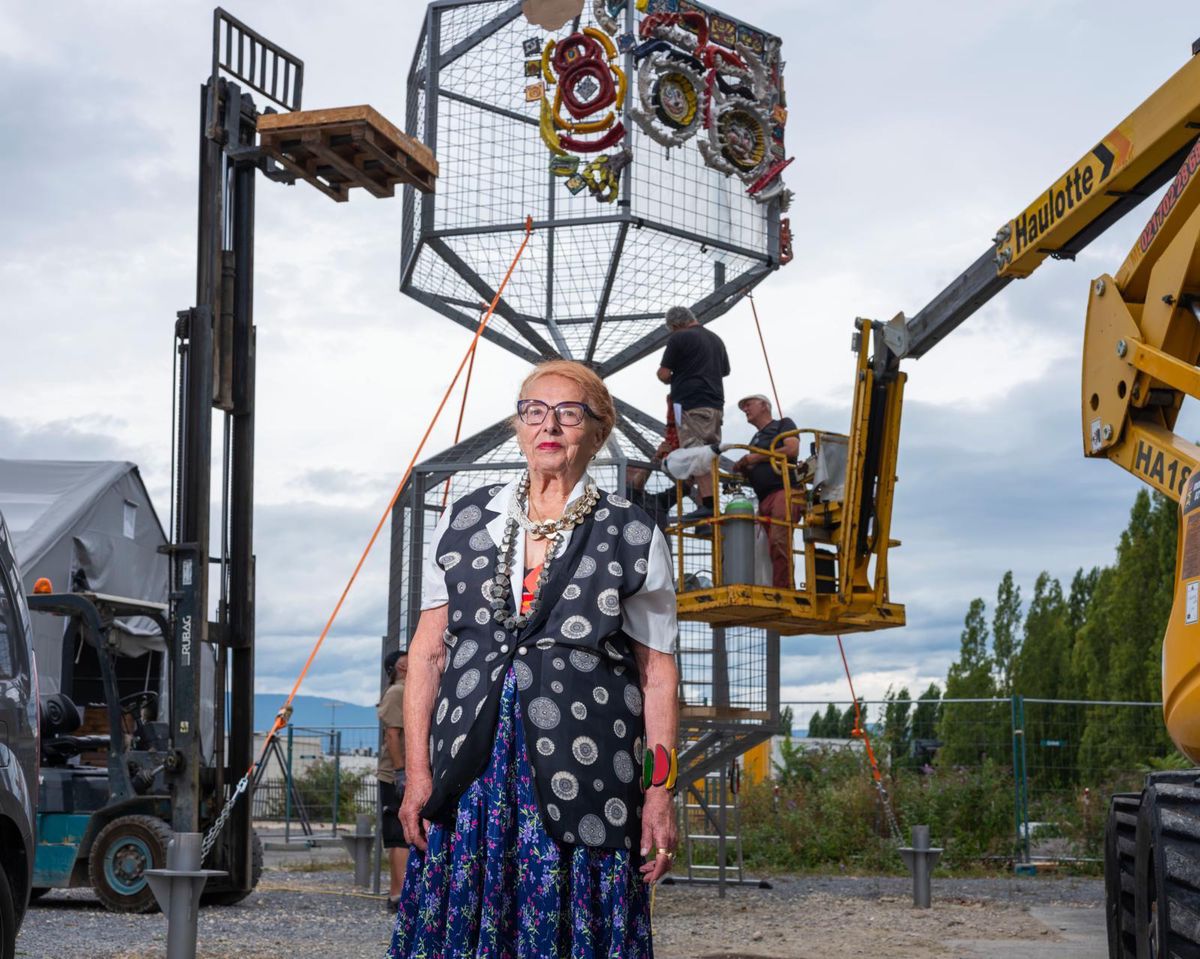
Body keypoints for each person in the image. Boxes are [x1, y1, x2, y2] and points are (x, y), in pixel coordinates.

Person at [389, 359, 680, 959]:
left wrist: (659, 794)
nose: (549, 425)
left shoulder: (632, 532)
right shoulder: (465, 517)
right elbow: (426, 653)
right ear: (519, 425)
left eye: (569, 413)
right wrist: (417, 773)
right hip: (470, 763)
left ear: (595, 432)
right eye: (534, 411)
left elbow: (657, 675)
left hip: (589, 763)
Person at [657, 305, 730, 520]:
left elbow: (663, 374)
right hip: (714, 404)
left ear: (675, 325)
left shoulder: (679, 338)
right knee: (709, 451)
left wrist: (677, 376)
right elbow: (724, 370)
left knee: (695, 451)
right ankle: (710, 501)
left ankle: (708, 504)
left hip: (689, 403)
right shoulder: (715, 339)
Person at [733, 394, 800, 588]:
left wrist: (755, 458)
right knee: (766, 547)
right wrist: (743, 467)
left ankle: (783, 589)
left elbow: (791, 450)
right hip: (764, 499)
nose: (745, 409)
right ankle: (771, 585)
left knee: (779, 541)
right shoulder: (755, 439)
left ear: (764, 406)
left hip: (784, 492)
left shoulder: (783, 425)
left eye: (748, 404)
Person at [377, 649, 408, 910]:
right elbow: (392, 735)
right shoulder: (398, 692)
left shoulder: (409, 690)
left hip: (409, 772)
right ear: (400, 666)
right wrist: (400, 771)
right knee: (398, 834)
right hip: (396, 775)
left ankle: (400, 891)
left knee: (405, 833)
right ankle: (398, 894)